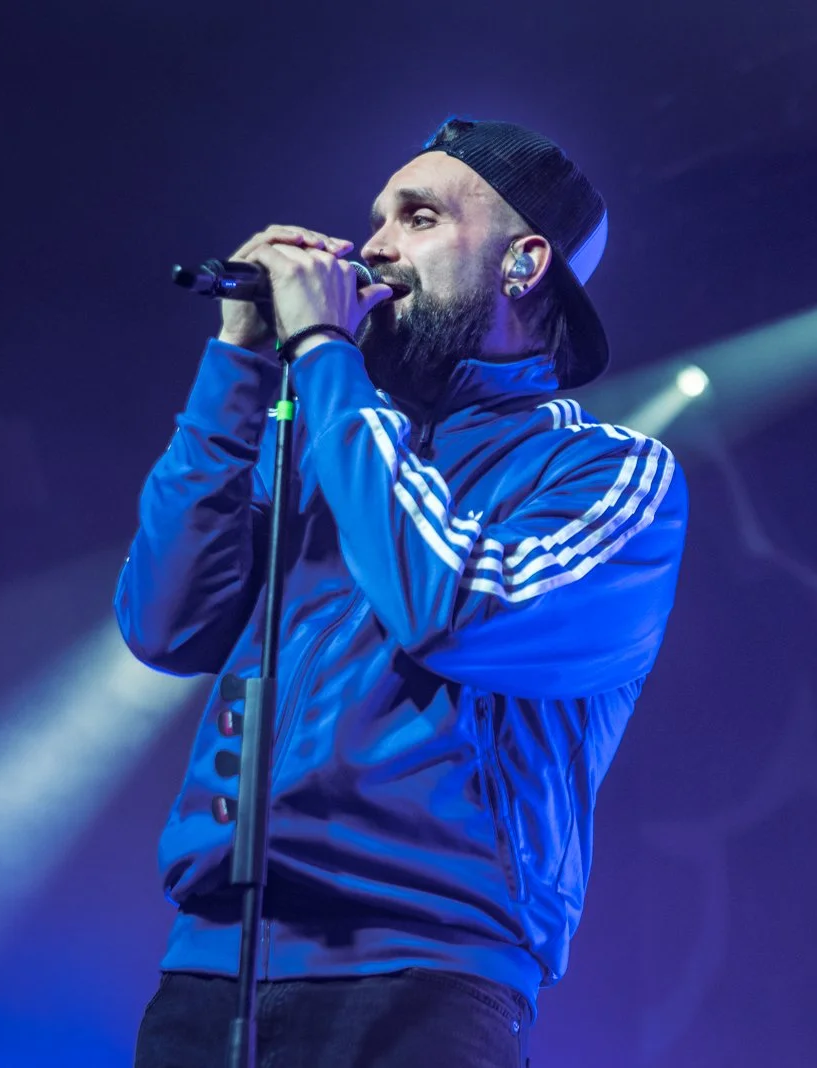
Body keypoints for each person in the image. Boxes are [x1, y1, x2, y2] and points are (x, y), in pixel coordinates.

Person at [117, 117, 689, 1068]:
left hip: (424, 977)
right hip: (213, 967)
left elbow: (453, 609)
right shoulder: (322, 445)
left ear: (525, 261)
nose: (372, 246)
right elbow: (163, 626)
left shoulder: (607, 474)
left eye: (418, 217)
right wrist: (242, 361)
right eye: (375, 218)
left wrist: (329, 357)